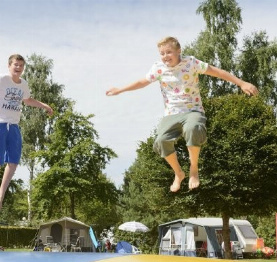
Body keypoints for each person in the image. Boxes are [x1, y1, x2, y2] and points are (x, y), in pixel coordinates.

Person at [106, 36, 258, 192]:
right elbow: (142, 82)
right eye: (162, 53)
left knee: (194, 129)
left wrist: (241, 83)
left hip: (193, 110)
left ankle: (193, 169)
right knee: (161, 141)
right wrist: (120, 89)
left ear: (178, 51)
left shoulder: (191, 63)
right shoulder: (158, 68)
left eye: (169, 52)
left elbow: (218, 72)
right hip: (171, 113)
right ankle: (178, 173)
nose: (165, 56)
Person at [0, 54, 53, 210]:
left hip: (14, 125)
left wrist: (44, 105)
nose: (18, 68)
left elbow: (27, 100)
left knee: (14, 161)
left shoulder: (23, 84)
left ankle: (1, 192)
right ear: (9, 66)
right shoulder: (2, 79)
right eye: (15, 65)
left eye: (21, 66)